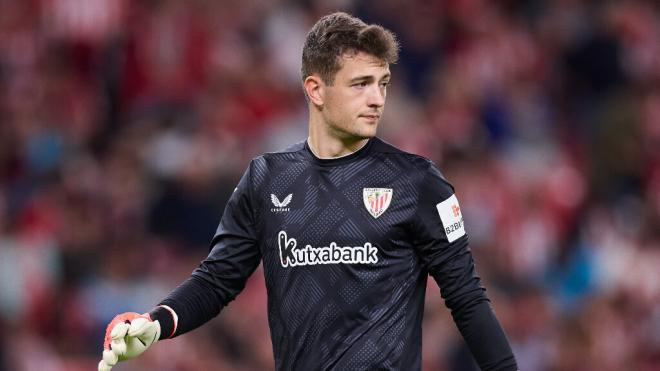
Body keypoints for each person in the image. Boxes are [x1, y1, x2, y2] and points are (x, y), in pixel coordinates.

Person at [99, 11, 518, 371]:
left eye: (382, 83)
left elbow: (467, 299)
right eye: (360, 84)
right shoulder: (266, 180)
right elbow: (217, 280)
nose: (376, 99)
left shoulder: (419, 183)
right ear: (316, 89)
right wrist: (157, 322)